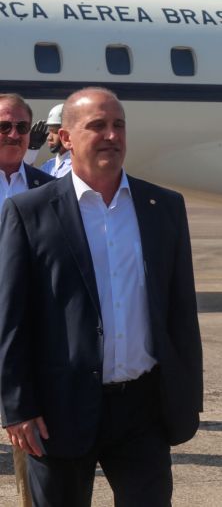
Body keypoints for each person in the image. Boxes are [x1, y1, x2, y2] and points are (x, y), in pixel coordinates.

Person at [0, 87, 203, 506]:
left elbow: (180, 311)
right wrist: (17, 406)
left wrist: (184, 395)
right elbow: (12, 317)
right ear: (66, 138)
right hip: (59, 410)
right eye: (97, 126)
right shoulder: (29, 211)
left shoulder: (162, 206)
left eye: (118, 125)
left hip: (143, 409)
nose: (111, 135)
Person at [0, 92, 55, 507]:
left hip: (28, 334)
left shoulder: (49, 188)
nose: (14, 134)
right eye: (4, 126)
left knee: (30, 444)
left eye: (21, 127)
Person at [39, 103, 73, 178]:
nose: (49, 137)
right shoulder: (48, 166)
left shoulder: (77, 168)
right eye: (49, 131)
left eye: (54, 132)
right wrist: (32, 150)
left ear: (67, 135)